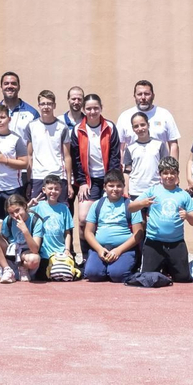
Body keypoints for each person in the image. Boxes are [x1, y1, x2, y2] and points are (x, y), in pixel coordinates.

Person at [69, 94, 122, 261]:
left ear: (101, 108)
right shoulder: (78, 129)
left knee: (108, 217)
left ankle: (110, 253)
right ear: (84, 110)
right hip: (89, 181)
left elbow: (115, 156)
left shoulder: (110, 127)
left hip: (107, 179)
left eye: (96, 108)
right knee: (84, 218)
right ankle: (86, 257)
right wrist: (83, 183)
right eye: (89, 108)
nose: (92, 111)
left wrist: (110, 184)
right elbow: (76, 159)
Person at [129, 156, 193, 281]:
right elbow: (131, 208)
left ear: (177, 174)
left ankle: (167, 266)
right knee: (147, 278)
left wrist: (187, 216)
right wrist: (142, 203)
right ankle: (161, 264)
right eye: (165, 173)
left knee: (183, 278)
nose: (169, 176)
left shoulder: (183, 195)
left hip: (176, 243)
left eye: (172, 173)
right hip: (154, 242)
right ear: (160, 174)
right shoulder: (152, 191)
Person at [82, 172, 142, 282]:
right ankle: (103, 267)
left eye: (119, 186)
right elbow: (88, 232)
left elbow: (138, 234)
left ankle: (124, 266)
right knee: (92, 274)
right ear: (104, 187)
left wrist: (118, 251)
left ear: (124, 187)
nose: (115, 189)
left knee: (117, 275)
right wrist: (99, 249)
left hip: (123, 249)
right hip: (100, 248)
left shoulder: (131, 205)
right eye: (111, 186)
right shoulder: (97, 205)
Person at [0, 103, 30, 223]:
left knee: (13, 221)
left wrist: (6, 160)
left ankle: (14, 242)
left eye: (2, 117)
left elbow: (24, 163)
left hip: (11, 188)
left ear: (9, 119)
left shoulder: (16, 139)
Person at [26, 91, 73, 206]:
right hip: (37, 177)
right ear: (39, 106)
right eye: (43, 104)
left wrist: (69, 183)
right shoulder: (31, 126)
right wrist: (28, 182)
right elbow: (29, 155)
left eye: (49, 104)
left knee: (60, 211)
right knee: (35, 211)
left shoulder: (62, 127)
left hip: (58, 176)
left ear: (54, 106)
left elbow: (67, 157)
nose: (46, 107)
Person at [118, 79, 181, 160]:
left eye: (147, 94)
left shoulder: (164, 115)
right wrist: (122, 169)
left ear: (153, 95)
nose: (143, 97)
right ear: (134, 96)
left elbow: (173, 144)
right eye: (139, 94)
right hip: (133, 170)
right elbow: (120, 147)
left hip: (159, 170)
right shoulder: (124, 116)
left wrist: (172, 168)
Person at [124, 110, 167, 198]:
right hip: (135, 191)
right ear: (133, 129)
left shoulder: (159, 145)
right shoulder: (130, 148)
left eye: (143, 124)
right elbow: (127, 171)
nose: (140, 128)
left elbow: (166, 168)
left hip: (155, 190)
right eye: (136, 126)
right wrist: (125, 190)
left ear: (148, 125)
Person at [0, 71, 39, 139]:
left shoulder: (32, 113)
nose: (10, 86)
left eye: (13, 83)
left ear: (19, 87)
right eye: (6, 83)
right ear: (1, 87)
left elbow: (37, 140)